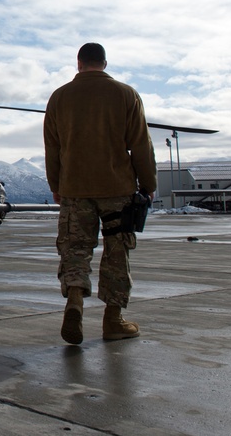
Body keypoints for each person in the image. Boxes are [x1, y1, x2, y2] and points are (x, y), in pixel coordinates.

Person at [43, 43, 157, 344]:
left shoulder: (59, 97)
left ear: (78, 63)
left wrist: (56, 186)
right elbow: (141, 144)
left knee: (75, 250)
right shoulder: (126, 94)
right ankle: (113, 320)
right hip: (117, 189)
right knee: (117, 253)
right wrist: (148, 184)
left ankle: (75, 302)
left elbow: (52, 148)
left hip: (74, 189)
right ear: (104, 63)